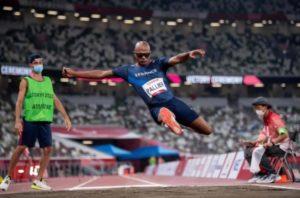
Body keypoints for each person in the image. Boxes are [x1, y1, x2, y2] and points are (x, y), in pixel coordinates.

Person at [63, 41, 213, 136]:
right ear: (135, 55)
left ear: (150, 54)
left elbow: (177, 59)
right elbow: (102, 74)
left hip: (173, 102)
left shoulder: (159, 64)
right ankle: (167, 117)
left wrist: (188, 54)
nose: (143, 58)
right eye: (140, 55)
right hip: (156, 107)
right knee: (161, 112)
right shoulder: (128, 71)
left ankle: (175, 122)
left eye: (146, 55)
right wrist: (75, 73)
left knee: (207, 130)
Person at [0, 54, 72, 191]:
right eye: (35, 62)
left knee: (48, 149)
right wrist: (17, 120)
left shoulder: (47, 81)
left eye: (40, 62)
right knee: (21, 147)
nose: (39, 64)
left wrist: (66, 116)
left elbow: (55, 100)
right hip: (30, 120)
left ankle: (38, 180)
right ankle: (8, 177)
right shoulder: (26, 81)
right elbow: (19, 101)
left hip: (45, 120)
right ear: (31, 65)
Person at [243, 97, 290, 183]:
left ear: (265, 107)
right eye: (255, 108)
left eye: (258, 108)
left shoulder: (274, 118)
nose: (256, 110)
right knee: (248, 151)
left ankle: (272, 174)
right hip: (273, 145)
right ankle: (260, 175)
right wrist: (254, 143)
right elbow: (266, 135)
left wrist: (272, 142)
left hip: (281, 147)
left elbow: (284, 134)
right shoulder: (266, 119)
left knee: (258, 151)